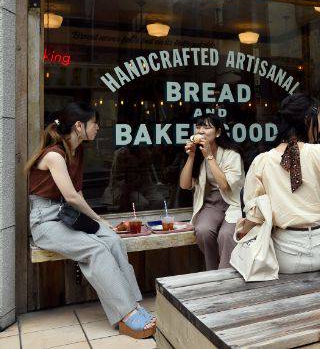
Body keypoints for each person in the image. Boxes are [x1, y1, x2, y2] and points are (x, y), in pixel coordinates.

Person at [27, 102, 156, 339]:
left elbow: (78, 194)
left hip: (67, 216)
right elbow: (71, 196)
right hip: (45, 222)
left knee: (113, 240)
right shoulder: (55, 154)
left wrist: (102, 225)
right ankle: (126, 315)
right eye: (94, 123)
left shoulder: (77, 151)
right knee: (96, 249)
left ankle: (133, 304)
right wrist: (98, 219)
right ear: (79, 126)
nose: (98, 127)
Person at [236, 93, 320, 274]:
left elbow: (256, 213)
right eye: (319, 120)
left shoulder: (262, 161)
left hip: (286, 254)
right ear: (308, 120)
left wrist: (242, 230)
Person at [179, 113, 245, 270]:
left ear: (218, 133)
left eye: (207, 127)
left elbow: (225, 185)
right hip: (211, 203)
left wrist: (209, 156)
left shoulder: (232, 154)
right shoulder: (197, 154)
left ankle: (226, 275)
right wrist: (191, 156)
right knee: (203, 230)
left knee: (226, 235)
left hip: (232, 201)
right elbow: (184, 185)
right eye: (198, 127)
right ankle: (212, 270)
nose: (201, 131)